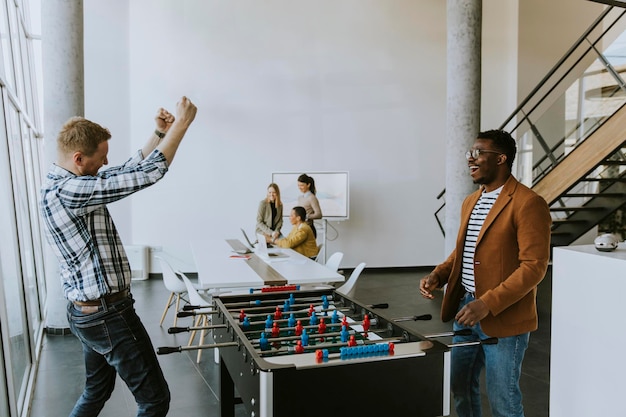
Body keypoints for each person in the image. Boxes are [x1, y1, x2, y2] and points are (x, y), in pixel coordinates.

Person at [39, 96, 197, 417]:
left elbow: (125, 170)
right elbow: (147, 174)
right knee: (154, 400)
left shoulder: (68, 182)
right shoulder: (71, 193)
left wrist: (158, 134)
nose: (106, 164)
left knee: (96, 391)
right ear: (79, 158)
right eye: (102, 158)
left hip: (88, 312)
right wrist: (182, 125)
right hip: (107, 315)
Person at [419, 129, 551, 417]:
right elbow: (465, 250)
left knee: (503, 399)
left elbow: (534, 266)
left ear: (501, 158)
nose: (471, 159)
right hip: (465, 309)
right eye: (470, 153)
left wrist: (487, 303)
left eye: (478, 153)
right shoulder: (472, 201)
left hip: (503, 316)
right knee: (460, 387)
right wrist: (439, 274)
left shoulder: (528, 203)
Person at [297, 173, 322, 238]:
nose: (299, 187)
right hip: (300, 229)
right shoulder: (300, 198)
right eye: (298, 185)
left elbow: (319, 214)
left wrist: (306, 216)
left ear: (308, 185)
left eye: (302, 185)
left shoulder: (312, 198)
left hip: (308, 229)